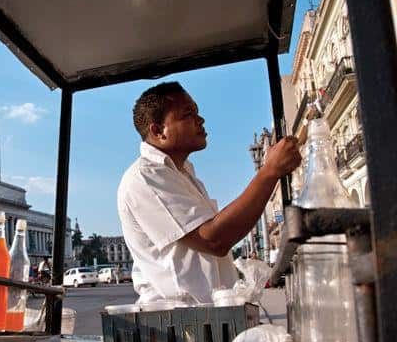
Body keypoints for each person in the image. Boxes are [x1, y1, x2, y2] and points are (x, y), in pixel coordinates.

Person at [117, 82, 301, 304]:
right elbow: (214, 239)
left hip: (207, 315)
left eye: (197, 112)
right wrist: (270, 171)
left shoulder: (183, 175)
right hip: (180, 321)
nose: (200, 120)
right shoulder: (145, 177)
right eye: (188, 114)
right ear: (158, 131)